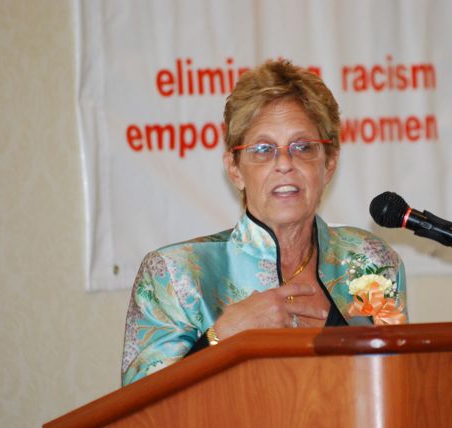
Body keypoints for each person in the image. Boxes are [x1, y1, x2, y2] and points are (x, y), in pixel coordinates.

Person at [121, 60, 407, 386]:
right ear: (234, 169)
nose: (284, 163)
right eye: (262, 149)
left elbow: (397, 387)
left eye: (303, 147)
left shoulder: (371, 262)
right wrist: (221, 337)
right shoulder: (173, 275)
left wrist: (337, 335)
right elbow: (143, 407)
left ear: (329, 164)